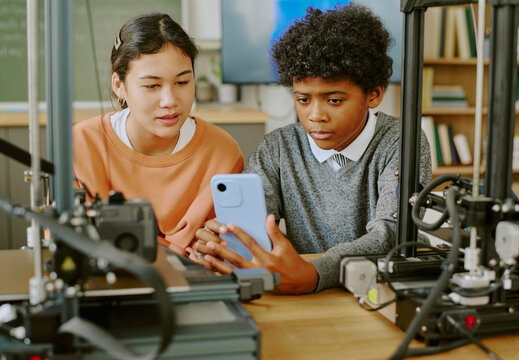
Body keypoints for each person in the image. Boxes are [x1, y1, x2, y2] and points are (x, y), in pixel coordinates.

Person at [193, 5, 431, 294]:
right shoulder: (278, 147)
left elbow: (393, 234)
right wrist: (226, 240)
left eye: (333, 100)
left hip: (377, 290)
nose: (315, 115)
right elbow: (253, 223)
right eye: (303, 100)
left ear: (374, 94)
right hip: (305, 293)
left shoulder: (402, 141)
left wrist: (316, 272)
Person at [72, 13, 244, 255]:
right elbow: (68, 241)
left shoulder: (223, 152)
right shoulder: (81, 145)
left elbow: (231, 248)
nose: (170, 101)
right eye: (152, 86)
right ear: (119, 85)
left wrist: (216, 249)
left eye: (182, 82)